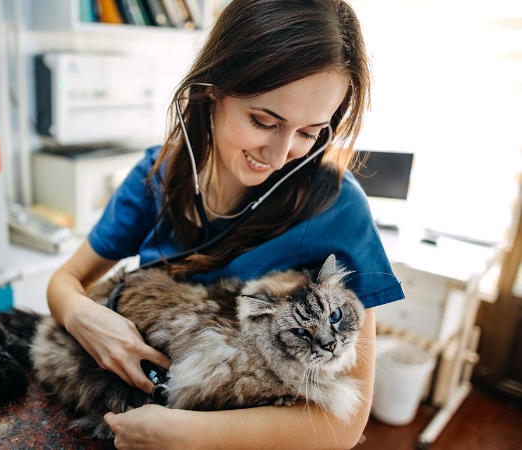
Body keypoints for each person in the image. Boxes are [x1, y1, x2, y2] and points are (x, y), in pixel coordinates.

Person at [47, 0, 404, 448]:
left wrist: (190, 434)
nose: (278, 157)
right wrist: (85, 318)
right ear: (214, 88)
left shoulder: (338, 209)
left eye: (309, 132)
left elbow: (343, 426)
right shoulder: (159, 175)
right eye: (263, 121)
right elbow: (66, 281)